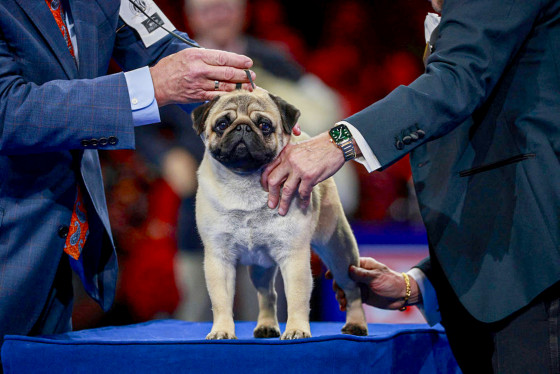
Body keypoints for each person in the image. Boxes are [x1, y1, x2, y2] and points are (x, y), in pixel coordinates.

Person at [261, 0, 560, 372]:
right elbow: (500, 161)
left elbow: (454, 83)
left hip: (538, 289)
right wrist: (419, 284)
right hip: (509, 286)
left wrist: (338, 141)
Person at [0, 0, 256, 354]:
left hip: (58, 242)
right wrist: (152, 86)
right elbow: (8, 112)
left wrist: (261, 121)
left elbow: (162, 45)